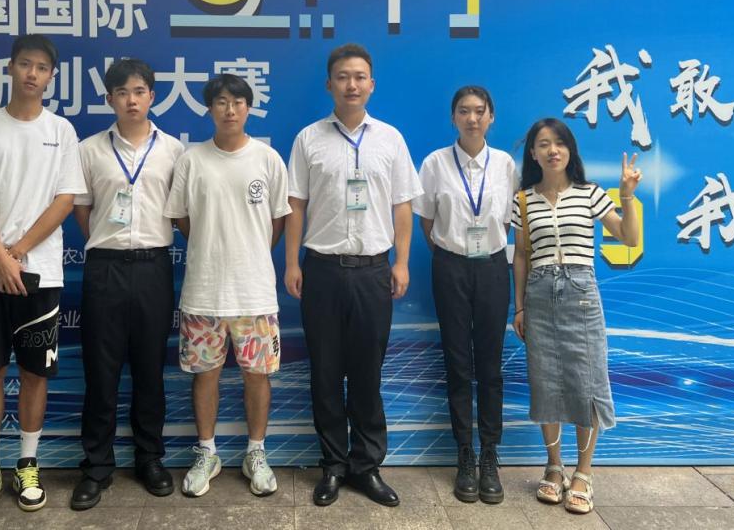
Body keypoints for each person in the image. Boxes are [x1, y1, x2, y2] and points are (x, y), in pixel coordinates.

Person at [0, 34, 86, 518]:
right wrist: (0, 258)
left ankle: (27, 463)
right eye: (25, 64)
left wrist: (18, 253)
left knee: (34, 373)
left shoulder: (61, 131)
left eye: (42, 67)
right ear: (10, 68)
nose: (32, 73)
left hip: (39, 273)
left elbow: (65, 200)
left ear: (51, 77)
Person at [285, 43, 422, 507]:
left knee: (367, 374)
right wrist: (291, 262)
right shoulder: (308, 139)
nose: (352, 84)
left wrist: (401, 261)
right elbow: (295, 205)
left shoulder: (390, 139)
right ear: (330, 84)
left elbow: (403, 206)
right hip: (321, 271)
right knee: (325, 374)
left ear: (372, 84)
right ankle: (333, 466)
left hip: (373, 272)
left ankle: (366, 467)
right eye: (343, 76)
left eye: (360, 76)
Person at [163, 73, 291, 498]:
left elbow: (277, 220)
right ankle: (207, 452)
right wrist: (210, 245)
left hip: (255, 291)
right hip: (203, 290)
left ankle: (256, 452)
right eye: (221, 102)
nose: (230, 109)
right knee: (205, 376)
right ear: (209, 108)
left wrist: (250, 251)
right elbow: (181, 218)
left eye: (237, 102)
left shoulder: (267, 159)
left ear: (249, 108)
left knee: (258, 376)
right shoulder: (192, 160)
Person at [70, 59, 184, 509]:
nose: (131, 100)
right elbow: (83, 211)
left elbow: (179, 211)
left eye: (139, 91)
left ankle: (149, 459)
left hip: (154, 267)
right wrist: (110, 245)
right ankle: (97, 467)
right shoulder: (89, 150)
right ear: (110, 99)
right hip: (105, 269)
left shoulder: (174, 150)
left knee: (149, 369)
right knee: (101, 371)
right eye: (122, 92)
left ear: (152, 96)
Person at [511, 117, 640, 515]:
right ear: (533, 154)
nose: (553, 150)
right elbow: (521, 255)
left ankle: (583, 473)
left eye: (560, 143)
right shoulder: (523, 200)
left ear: (570, 150)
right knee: (545, 381)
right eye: (543, 144)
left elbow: (629, 237)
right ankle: (554, 467)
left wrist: (626, 196)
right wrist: (519, 307)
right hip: (538, 293)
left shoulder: (590, 194)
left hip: (581, 293)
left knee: (586, 381)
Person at [414, 85, 516, 504]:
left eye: (479, 111)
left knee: (490, 366)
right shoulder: (435, 163)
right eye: (463, 111)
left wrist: (483, 250)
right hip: (450, 266)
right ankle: (464, 455)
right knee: (457, 363)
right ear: (453, 117)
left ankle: (490, 454)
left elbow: (507, 221)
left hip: (492, 267)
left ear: (491, 117)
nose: (472, 118)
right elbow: (426, 221)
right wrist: (451, 252)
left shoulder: (505, 164)